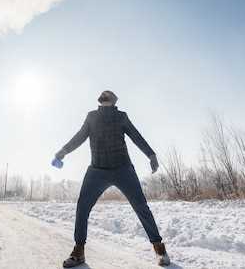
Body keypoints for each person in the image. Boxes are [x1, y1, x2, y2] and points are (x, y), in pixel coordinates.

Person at [54, 90, 171, 268]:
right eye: (103, 97)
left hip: (123, 169)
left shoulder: (121, 117)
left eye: (108, 96)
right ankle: (79, 252)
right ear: (100, 101)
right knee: (82, 206)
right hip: (97, 170)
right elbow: (79, 137)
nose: (105, 98)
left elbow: (136, 136)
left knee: (141, 206)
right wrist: (63, 151)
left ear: (114, 101)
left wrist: (151, 154)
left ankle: (159, 248)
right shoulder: (91, 117)